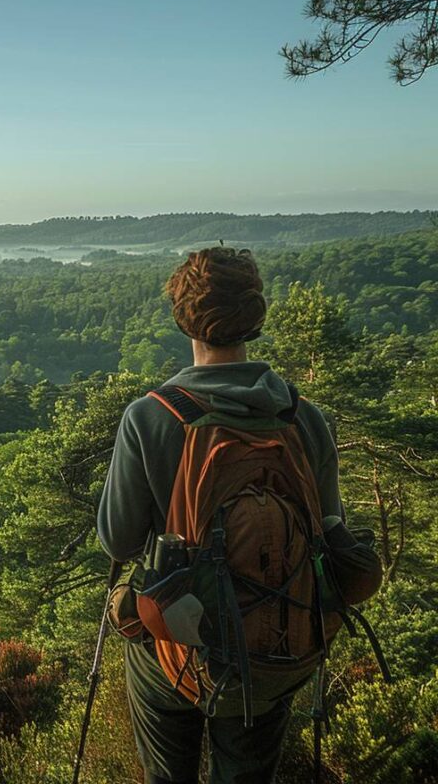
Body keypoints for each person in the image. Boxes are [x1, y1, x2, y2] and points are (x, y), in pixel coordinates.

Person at [95, 246, 379, 784]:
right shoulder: (304, 418)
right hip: (275, 643)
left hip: (177, 649)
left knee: (146, 657)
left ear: (184, 319)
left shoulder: (152, 417)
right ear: (255, 315)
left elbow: (118, 542)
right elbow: (330, 532)